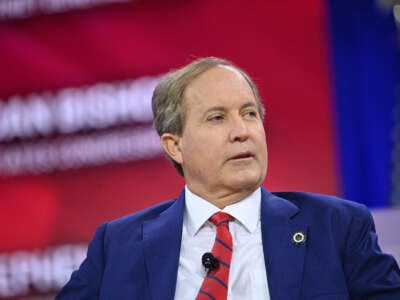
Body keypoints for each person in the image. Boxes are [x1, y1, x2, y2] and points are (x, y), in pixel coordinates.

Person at [57, 57, 400, 299]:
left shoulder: (336, 227)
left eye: (249, 114)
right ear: (175, 146)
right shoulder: (117, 245)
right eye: (217, 118)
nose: (242, 132)